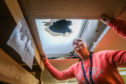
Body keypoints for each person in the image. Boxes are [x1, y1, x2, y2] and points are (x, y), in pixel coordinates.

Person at [40, 15, 126, 84]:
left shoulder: (105, 56)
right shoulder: (75, 68)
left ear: (87, 44)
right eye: (73, 43)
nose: (76, 43)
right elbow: (59, 76)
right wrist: (45, 60)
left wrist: (117, 25)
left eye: (79, 41)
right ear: (74, 50)